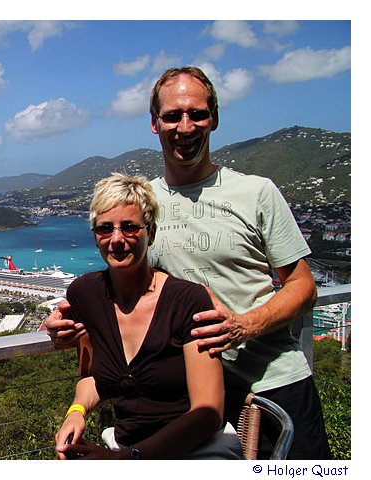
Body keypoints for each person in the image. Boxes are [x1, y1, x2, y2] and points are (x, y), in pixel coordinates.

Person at [46, 66, 331, 459]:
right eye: (172, 115)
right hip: (182, 398)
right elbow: (122, 294)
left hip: (272, 382)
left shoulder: (256, 192)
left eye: (197, 114)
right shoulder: (143, 206)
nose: (185, 126)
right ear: (154, 124)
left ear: (213, 119)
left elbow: (303, 286)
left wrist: (244, 325)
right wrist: (65, 323)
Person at [54, 173, 243, 460]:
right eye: (105, 229)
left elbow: (208, 413)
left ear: (150, 233)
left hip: (196, 450)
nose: (116, 239)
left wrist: (130, 460)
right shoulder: (85, 295)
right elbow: (94, 377)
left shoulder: (188, 302)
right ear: (95, 237)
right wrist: (77, 411)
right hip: (124, 449)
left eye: (129, 227)